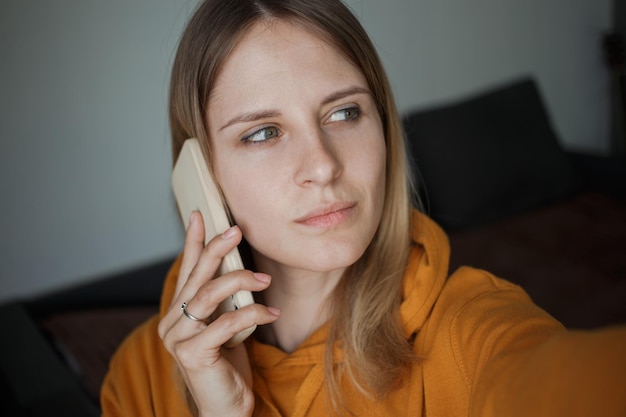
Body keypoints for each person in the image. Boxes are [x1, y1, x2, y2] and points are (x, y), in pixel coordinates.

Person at [100, 0, 626, 416]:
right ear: (200, 175)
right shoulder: (140, 377)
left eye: (344, 112)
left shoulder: (469, 328)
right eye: (263, 132)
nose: (323, 165)